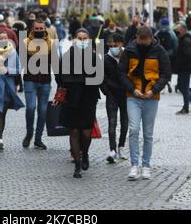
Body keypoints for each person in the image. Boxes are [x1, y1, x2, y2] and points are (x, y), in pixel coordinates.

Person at [119, 26, 171, 180]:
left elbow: (166, 73)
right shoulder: (129, 50)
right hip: (133, 95)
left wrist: (153, 90)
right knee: (134, 130)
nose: (142, 44)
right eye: (140, 41)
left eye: (145, 42)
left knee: (148, 134)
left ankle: (146, 165)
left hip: (151, 97)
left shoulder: (159, 51)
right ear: (136, 38)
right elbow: (121, 72)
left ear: (150, 38)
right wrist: (132, 89)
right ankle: (134, 165)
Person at [54, 28, 101, 179]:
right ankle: (77, 165)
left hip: (88, 98)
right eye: (79, 38)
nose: (82, 41)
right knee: (74, 131)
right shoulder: (67, 56)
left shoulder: (94, 57)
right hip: (72, 98)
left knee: (86, 133)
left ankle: (85, 152)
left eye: (84, 38)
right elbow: (60, 76)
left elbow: (99, 77)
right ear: (74, 39)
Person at [22, 19, 57, 150]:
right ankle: (29, 133)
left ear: (45, 29)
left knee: (43, 111)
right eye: (36, 29)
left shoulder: (51, 44)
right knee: (30, 108)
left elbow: (55, 63)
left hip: (45, 81)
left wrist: (60, 83)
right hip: (29, 80)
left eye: (41, 28)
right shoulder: (25, 43)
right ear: (32, 29)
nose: (39, 31)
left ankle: (38, 139)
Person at [101, 33, 128, 163]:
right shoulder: (106, 59)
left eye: (115, 45)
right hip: (112, 95)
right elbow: (101, 77)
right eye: (110, 46)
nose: (112, 48)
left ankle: (121, 147)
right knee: (112, 122)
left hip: (126, 94)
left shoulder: (127, 56)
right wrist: (106, 91)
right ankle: (112, 150)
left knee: (125, 122)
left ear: (121, 44)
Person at [175, 23, 191, 114]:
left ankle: (187, 107)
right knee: (181, 86)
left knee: (184, 87)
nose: (177, 32)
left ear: (183, 30)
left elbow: (188, 55)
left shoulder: (186, 41)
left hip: (185, 68)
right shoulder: (183, 39)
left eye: (179, 30)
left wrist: (182, 63)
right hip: (183, 67)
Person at [155, 18, 178, 93]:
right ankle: (168, 81)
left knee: (160, 70)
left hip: (159, 55)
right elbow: (175, 45)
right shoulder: (172, 33)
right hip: (169, 55)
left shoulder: (157, 33)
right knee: (168, 70)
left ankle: (161, 83)